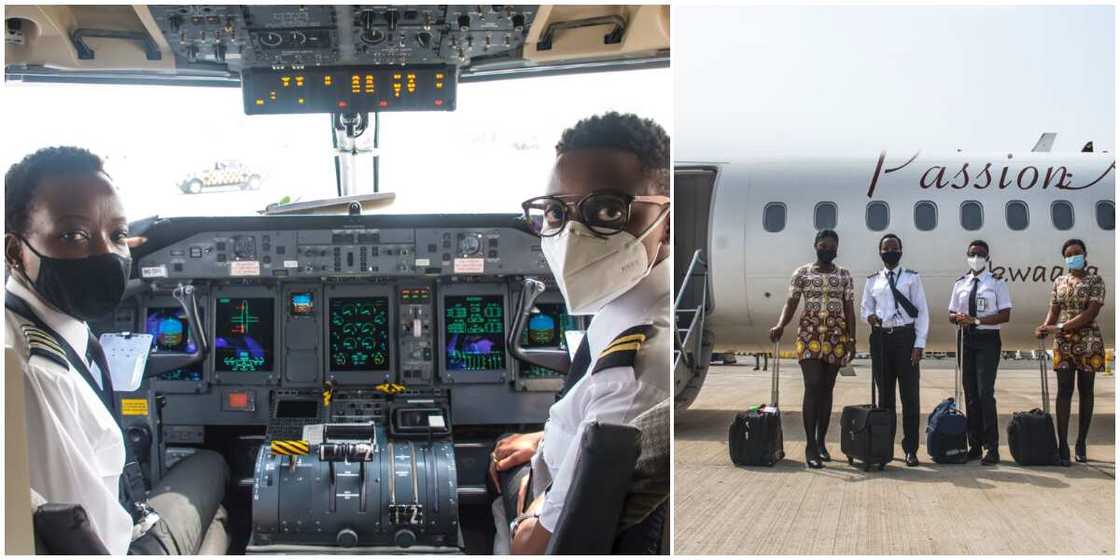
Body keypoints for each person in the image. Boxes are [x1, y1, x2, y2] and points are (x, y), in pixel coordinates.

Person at [4, 147, 229, 554]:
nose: (105, 253)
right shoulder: (38, 374)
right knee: (213, 466)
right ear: (15, 252)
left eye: (118, 235)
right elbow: (89, 535)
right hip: (122, 546)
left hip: (119, 519)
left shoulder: (38, 324)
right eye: (74, 235)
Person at [490, 113, 671, 553]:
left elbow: (535, 545)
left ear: (667, 215)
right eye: (556, 211)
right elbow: (593, 414)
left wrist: (525, 502)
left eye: (606, 210)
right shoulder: (628, 299)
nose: (572, 235)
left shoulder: (635, 367)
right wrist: (548, 439)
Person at [769, 229, 856, 469]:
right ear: (815, 245)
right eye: (823, 245)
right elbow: (791, 302)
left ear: (837, 249)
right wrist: (780, 325)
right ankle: (809, 445)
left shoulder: (845, 275)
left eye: (831, 246)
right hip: (810, 334)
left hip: (836, 335)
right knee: (813, 385)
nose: (827, 249)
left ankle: (821, 443)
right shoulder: (802, 273)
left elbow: (849, 308)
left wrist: (852, 339)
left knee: (827, 390)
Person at [859, 233, 929, 467]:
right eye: (886, 248)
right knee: (885, 397)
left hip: (905, 337)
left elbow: (922, 312)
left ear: (900, 251)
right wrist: (869, 316)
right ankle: (884, 446)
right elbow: (865, 307)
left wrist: (919, 343)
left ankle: (910, 449)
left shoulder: (911, 278)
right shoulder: (873, 280)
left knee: (910, 397)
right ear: (880, 253)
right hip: (881, 339)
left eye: (894, 248)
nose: (890, 251)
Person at [1034, 239, 1105, 466]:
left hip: (1088, 340)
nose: (1073, 256)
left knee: (1086, 391)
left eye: (1077, 253)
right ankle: (1062, 444)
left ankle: (1081, 442)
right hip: (1064, 342)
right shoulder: (1060, 281)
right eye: (1069, 254)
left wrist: (1062, 327)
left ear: (1085, 254)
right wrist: (1045, 327)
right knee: (1064, 391)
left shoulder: (1095, 280)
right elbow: (1053, 311)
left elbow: (1091, 312)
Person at [948, 240, 1012, 465]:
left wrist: (976, 319)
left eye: (980, 254)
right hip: (966, 339)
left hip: (987, 339)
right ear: (967, 255)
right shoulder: (960, 284)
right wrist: (958, 318)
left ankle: (991, 447)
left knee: (985, 393)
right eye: (972, 253)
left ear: (987, 257)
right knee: (971, 394)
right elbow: (951, 313)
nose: (976, 257)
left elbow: (1005, 315)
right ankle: (974, 445)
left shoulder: (996, 283)